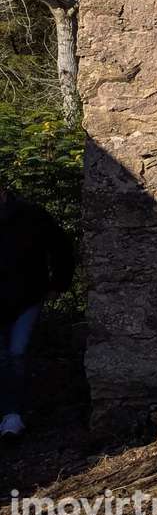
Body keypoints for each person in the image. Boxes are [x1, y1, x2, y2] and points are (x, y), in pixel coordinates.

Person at [0, 185, 75, 439]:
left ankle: (13, 415)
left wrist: (59, 284)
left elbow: (61, 247)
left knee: (17, 353)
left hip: (26, 298)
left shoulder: (32, 216)